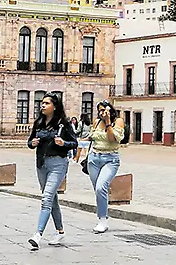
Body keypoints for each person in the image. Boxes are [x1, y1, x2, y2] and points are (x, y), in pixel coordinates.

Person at [27, 93, 77, 250]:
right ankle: (60, 231)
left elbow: (74, 142)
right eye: (42, 103)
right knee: (52, 198)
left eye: (46, 103)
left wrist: (63, 143)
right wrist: (32, 143)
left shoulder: (63, 123)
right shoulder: (39, 122)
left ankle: (38, 234)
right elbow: (30, 141)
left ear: (54, 106)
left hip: (58, 163)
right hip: (41, 164)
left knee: (46, 198)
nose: (42, 105)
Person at [85, 100, 124, 234]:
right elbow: (91, 137)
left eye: (104, 110)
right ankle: (103, 214)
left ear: (110, 110)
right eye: (100, 111)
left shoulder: (117, 121)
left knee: (101, 187)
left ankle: (102, 220)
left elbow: (113, 139)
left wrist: (108, 122)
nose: (101, 113)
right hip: (94, 158)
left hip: (110, 159)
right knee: (98, 190)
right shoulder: (96, 122)